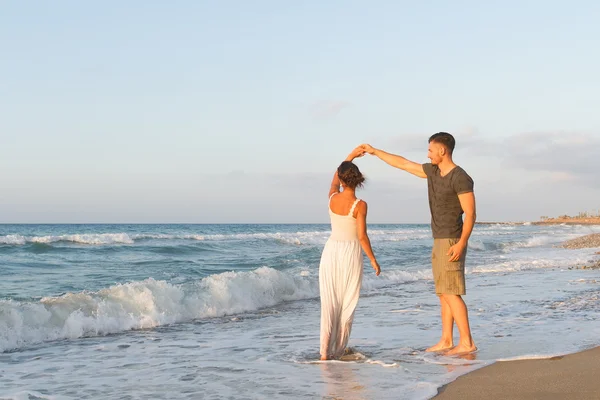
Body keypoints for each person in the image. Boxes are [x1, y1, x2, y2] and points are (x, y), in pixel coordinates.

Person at [360, 132, 477, 356]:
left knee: (452, 293)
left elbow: (470, 214)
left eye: (431, 150)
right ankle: (446, 340)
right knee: (443, 293)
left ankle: (467, 342)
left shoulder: (460, 177)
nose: (428, 154)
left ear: (442, 151)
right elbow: (403, 164)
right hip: (439, 238)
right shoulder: (433, 172)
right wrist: (375, 152)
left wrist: (462, 243)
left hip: (452, 238)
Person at [319, 148, 381, 361]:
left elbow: (334, 180)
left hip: (331, 252)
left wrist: (351, 155)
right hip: (350, 253)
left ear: (342, 179)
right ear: (358, 181)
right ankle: (338, 350)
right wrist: (373, 259)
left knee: (329, 303)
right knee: (348, 301)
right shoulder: (360, 205)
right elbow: (362, 236)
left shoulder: (332, 198)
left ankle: (324, 353)